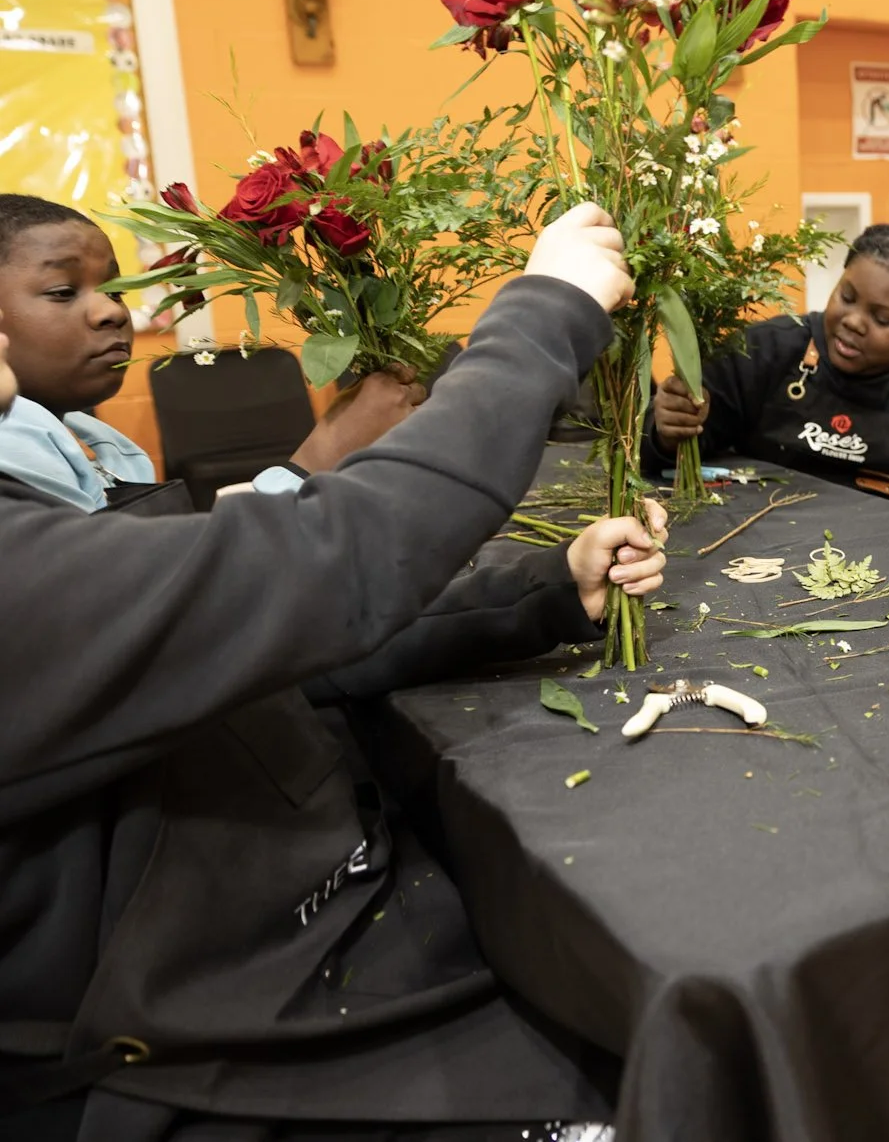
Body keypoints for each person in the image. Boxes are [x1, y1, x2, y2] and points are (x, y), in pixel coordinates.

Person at [0, 202, 666, 1141]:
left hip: (311, 913)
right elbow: (327, 559)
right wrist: (544, 311)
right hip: (210, 1034)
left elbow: (258, 644)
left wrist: (545, 592)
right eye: (62, 291)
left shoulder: (65, 480)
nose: (105, 310)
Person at [0, 195, 418, 512]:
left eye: (116, 291)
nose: (111, 310)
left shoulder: (106, 446)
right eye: (63, 292)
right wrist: (318, 459)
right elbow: (150, 591)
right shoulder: (11, 447)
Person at [648, 223, 889, 540]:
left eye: (882, 319)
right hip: (757, 549)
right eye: (847, 297)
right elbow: (674, 449)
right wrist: (667, 430)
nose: (853, 321)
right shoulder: (768, 350)